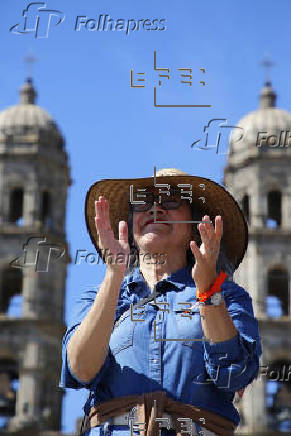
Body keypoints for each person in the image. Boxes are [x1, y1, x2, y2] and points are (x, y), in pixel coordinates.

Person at [59, 168, 262, 436]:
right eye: (143, 201)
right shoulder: (98, 298)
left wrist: (207, 290)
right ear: (130, 226)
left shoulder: (228, 296)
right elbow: (81, 369)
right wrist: (114, 275)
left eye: (170, 201)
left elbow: (234, 375)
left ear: (195, 225)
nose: (155, 209)